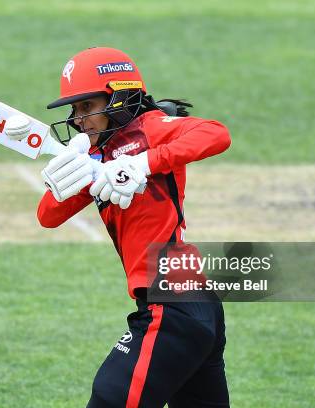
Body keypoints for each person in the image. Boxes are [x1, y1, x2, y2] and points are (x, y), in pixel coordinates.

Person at [37, 47, 231, 408]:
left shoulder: (153, 129)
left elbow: (216, 134)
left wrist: (143, 163)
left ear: (121, 95)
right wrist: (69, 173)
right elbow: (48, 216)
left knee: (111, 398)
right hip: (190, 304)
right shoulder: (97, 158)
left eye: (87, 107)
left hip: (170, 304)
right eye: (75, 110)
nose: (79, 120)